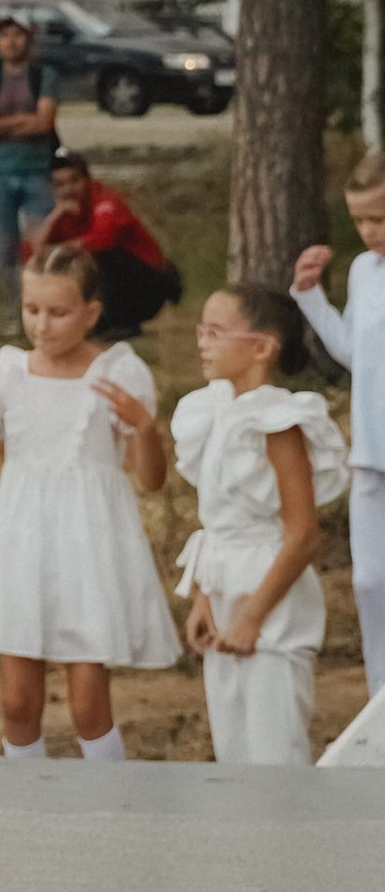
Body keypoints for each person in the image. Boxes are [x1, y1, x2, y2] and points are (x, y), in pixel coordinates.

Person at [0, 242, 178, 761]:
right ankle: (31, 816)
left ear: (92, 313)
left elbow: (152, 481)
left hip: (88, 544)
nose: (42, 326)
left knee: (88, 708)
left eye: (58, 312)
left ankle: (108, 812)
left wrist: (145, 429)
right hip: (23, 539)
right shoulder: (9, 372)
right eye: (32, 310)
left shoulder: (119, 372)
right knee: (17, 703)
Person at [172, 285, 348, 766]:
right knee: (234, 749)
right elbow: (218, 521)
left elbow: (302, 532)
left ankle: (288, 840)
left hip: (269, 597)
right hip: (226, 586)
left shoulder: (278, 421)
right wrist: (206, 597)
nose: (202, 342)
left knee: (274, 751)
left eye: (215, 331)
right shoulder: (213, 412)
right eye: (200, 330)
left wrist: (253, 615)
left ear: (262, 346)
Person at [295, 156, 385, 695]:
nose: (371, 232)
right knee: (371, 582)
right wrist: (310, 296)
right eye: (361, 221)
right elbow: (355, 351)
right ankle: (380, 702)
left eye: (381, 218)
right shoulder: (363, 271)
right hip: (371, 452)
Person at [24, 151, 177, 337]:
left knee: (98, 256)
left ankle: (122, 322)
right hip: (114, 284)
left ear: (86, 180)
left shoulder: (105, 200)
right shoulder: (60, 209)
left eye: (74, 181)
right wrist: (55, 215)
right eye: (60, 184)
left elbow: (104, 239)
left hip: (148, 283)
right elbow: (30, 252)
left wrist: (61, 248)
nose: (68, 189)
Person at [0, 17, 59, 287]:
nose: (11, 41)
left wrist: (1, 125)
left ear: (28, 40)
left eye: (17, 35)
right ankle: (12, 308)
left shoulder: (44, 76)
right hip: (0, 170)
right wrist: (23, 120)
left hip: (38, 170)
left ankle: (40, 299)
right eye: (5, 35)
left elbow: (44, 123)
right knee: (4, 246)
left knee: (39, 244)